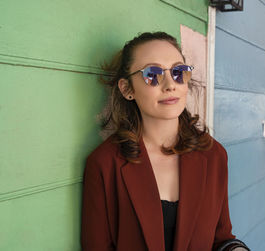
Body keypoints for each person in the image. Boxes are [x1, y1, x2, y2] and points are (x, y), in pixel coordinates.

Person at [80, 31, 238, 251]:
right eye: (152, 74)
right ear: (127, 89)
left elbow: (221, 239)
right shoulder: (105, 164)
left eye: (178, 72)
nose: (170, 84)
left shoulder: (213, 154)